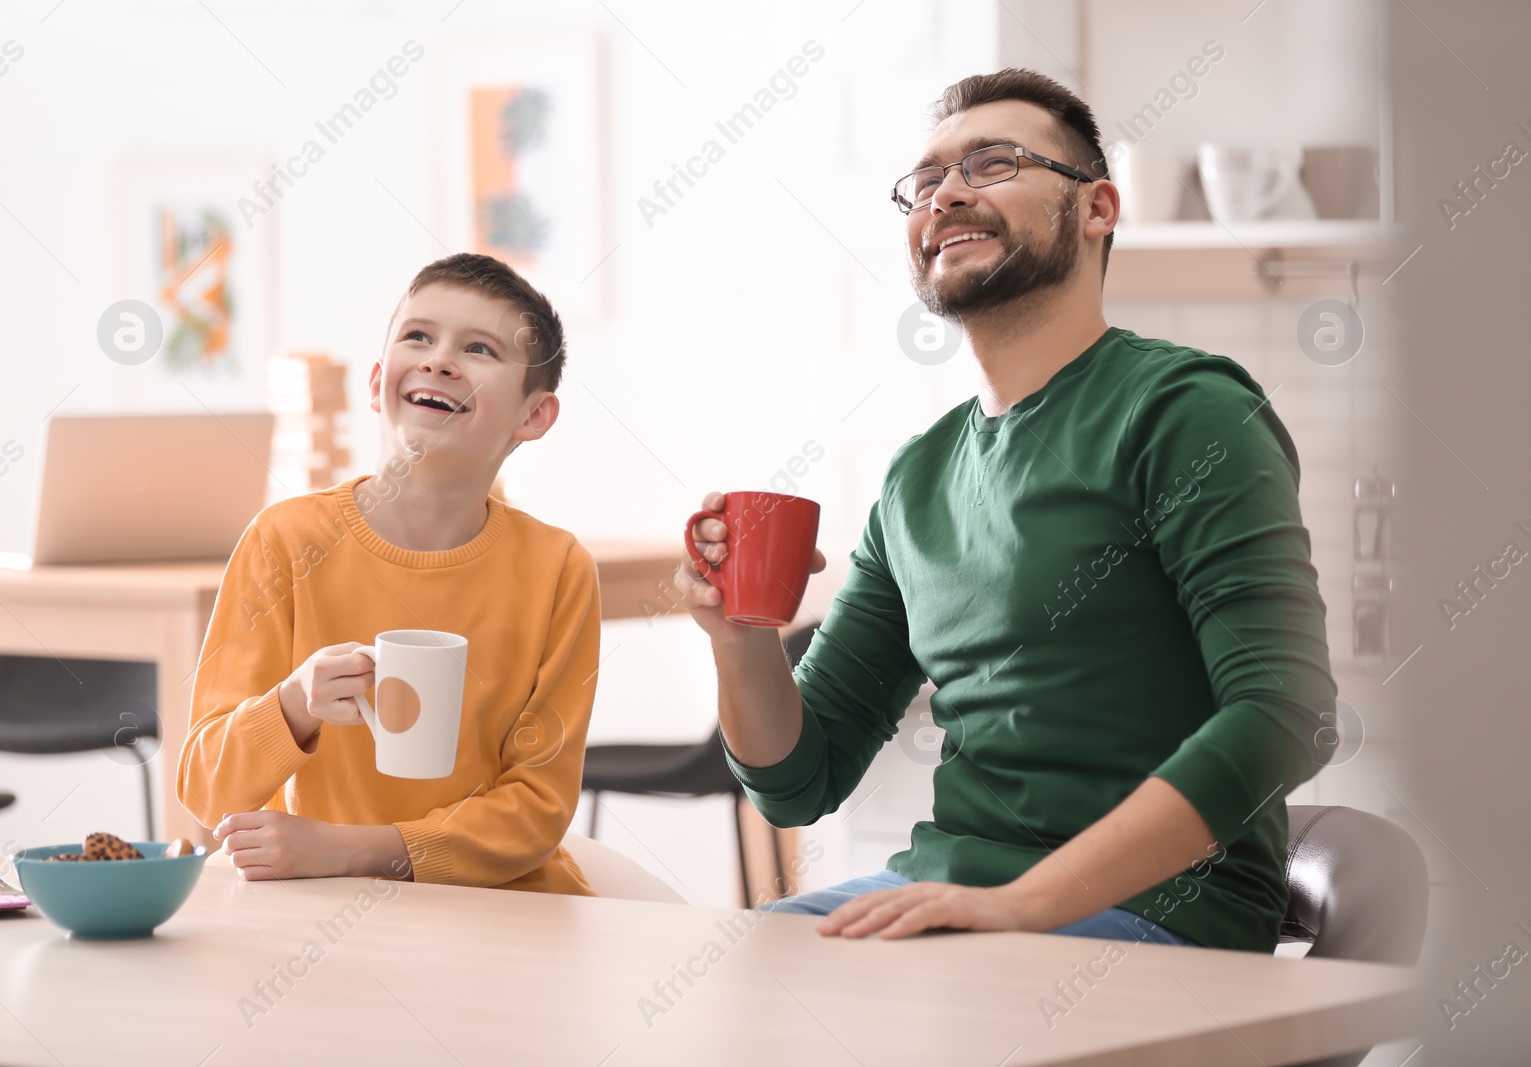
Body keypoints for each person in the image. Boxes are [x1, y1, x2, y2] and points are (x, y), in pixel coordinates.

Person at [677, 69, 1337, 951]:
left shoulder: (1186, 411)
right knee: (725, 981)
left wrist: (1024, 903)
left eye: (992, 164)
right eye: (926, 182)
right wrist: (741, 642)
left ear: (1097, 208)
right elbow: (800, 780)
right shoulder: (919, 477)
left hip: (1156, 919)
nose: (947, 193)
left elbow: (1288, 711)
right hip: (941, 897)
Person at [177, 253, 600, 893]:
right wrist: (293, 706)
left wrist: (354, 851)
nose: (438, 360)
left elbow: (537, 810)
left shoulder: (558, 570)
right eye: (418, 336)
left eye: (479, 348)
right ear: (378, 381)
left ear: (533, 415)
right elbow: (207, 789)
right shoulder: (283, 542)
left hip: (506, 909)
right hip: (327, 911)